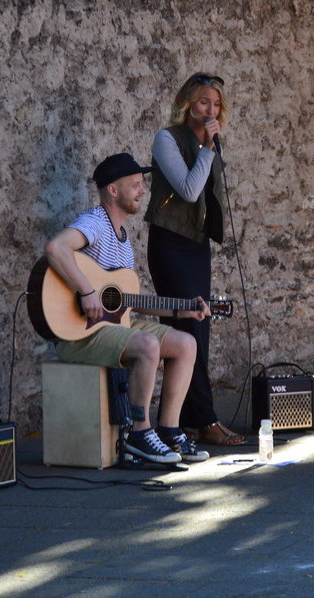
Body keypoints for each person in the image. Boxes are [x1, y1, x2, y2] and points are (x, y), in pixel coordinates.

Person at [44, 152, 211, 464]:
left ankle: (169, 431)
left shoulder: (122, 238)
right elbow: (56, 248)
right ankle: (139, 432)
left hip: (112, 328)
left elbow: (127, 304)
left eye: (141, 184)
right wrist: (87, 291)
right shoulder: (94, 222)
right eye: (135, 185)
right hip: (78, 335)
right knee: (147, 345)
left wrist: (183, 311)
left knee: (186, 343)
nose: (142, 191)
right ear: (113, 190)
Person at [146, 73, 246, 446]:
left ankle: (186, 421)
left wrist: (209, 149)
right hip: (170, 244)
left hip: (196, 245)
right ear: (188, 102)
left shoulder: (210, 144)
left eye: (216, 104)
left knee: (199, 327)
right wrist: (206, 150)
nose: (210, 110)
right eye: (204, 102)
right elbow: (188, 190)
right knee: (188, 328)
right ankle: (204, 421)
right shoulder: (166, 139)